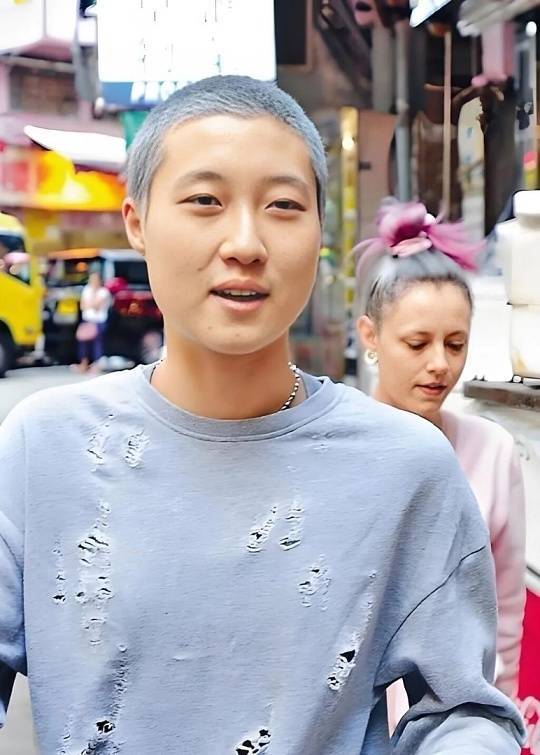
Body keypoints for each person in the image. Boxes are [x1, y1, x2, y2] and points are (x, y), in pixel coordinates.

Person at [0, 76, 525, 754]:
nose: (245, 242)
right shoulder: (43, 450)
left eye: (282, 205)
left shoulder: (407, 467)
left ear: (319, 229)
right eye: (205, 201)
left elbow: (466, 709)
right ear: (137, 221)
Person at [355, 199, 526, 728]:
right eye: (417, 343)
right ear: (370, 336)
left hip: (458, 726)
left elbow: (505, 608)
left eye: (455, 344)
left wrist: (501, 715)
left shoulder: (493, 450)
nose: (439, 365)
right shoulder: (334, 446)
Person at [73, 269, 111, 374]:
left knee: (97, 344)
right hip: (87, 320)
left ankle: (97, 365)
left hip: (98, 321)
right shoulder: (86, 290)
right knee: (83, 343)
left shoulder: (104, 292)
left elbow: (96, 306)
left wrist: (90, 302)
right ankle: (83, 364)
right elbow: (83, 305)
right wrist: (90, 304)